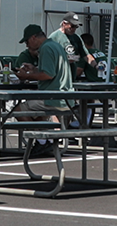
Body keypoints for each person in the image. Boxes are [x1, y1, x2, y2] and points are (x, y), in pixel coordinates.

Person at [13, 23, 73, 156]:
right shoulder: (56, 45)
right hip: (65, 96)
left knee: (16, 109)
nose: (27, 46)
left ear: (34, 38)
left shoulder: (45, 48)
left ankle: (41, 141)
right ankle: (46, 141)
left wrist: (26, 75)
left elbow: (48, 75)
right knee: (38, 113)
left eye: (27, 42)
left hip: (53, 97)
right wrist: (34, 69)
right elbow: (52, 70)